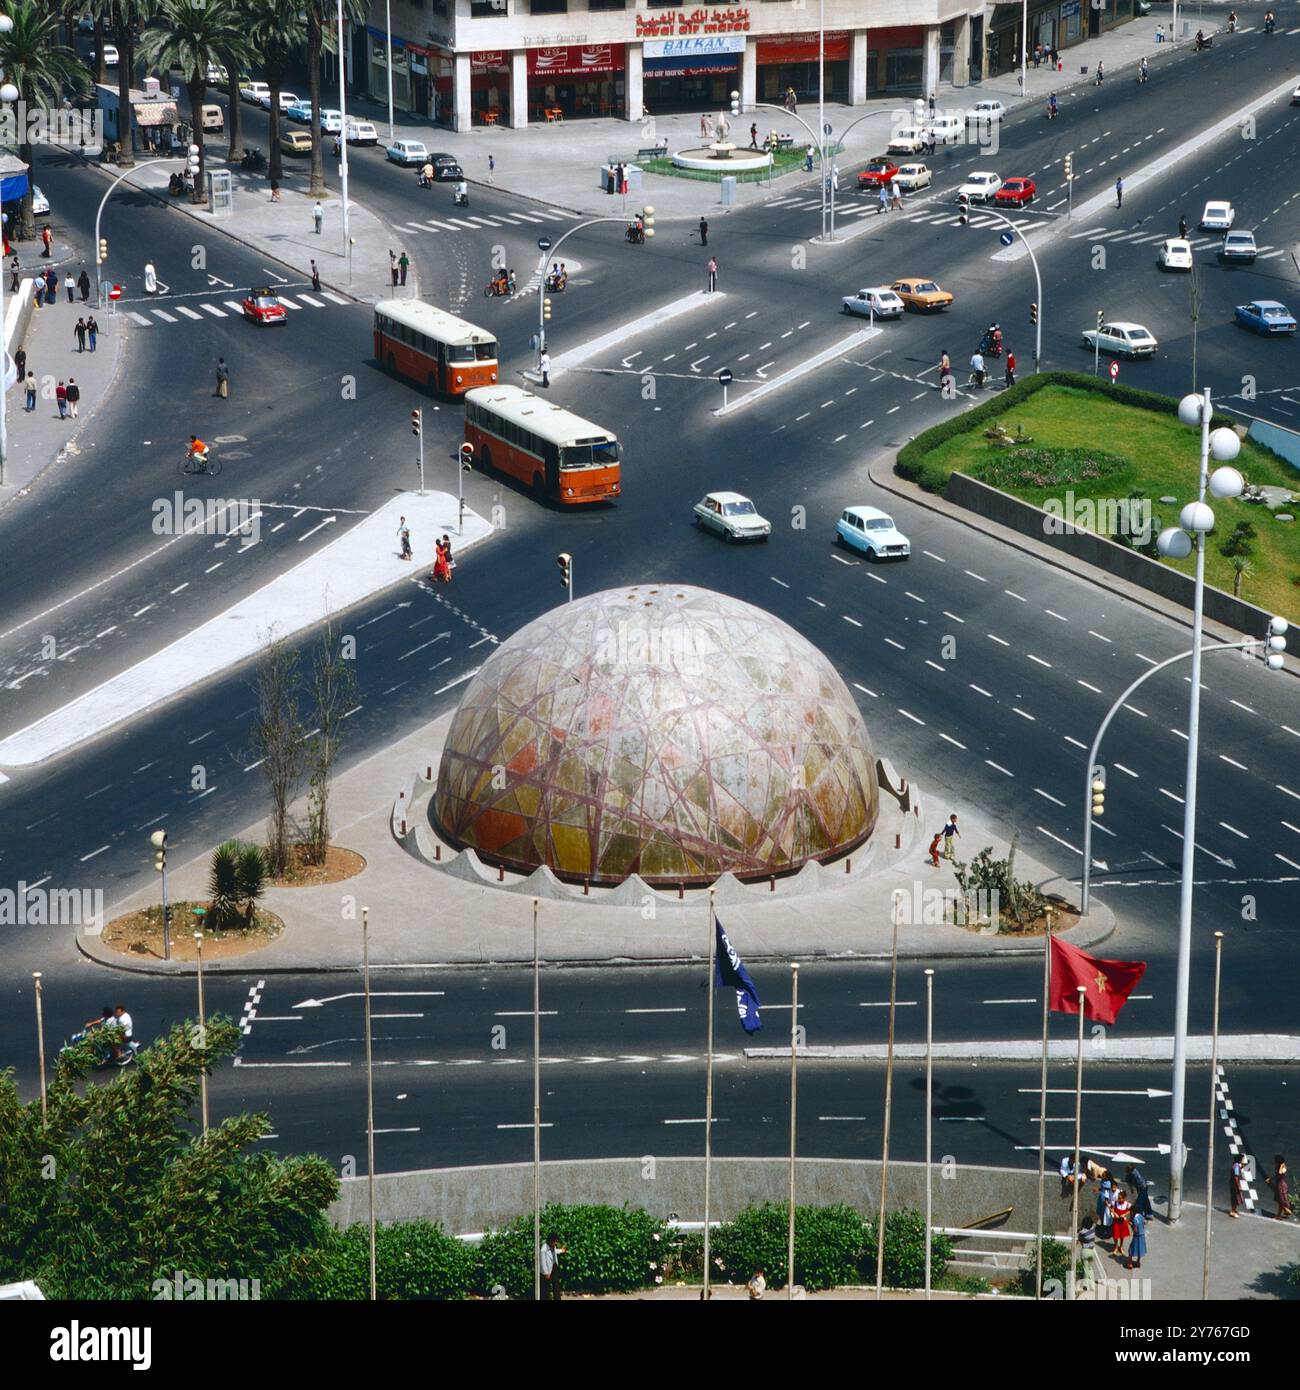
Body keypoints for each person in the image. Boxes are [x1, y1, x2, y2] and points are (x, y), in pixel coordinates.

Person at [539, 1233, 563, 1300]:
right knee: (545, 1287)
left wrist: (561, 1250)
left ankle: (557, 1298)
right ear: (550, 1241)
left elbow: (554, 1251)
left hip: (554, 1266)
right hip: (547, 1269)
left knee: (556, 1285)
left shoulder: (552, 1246)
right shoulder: (543, 1249)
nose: (555, 1243)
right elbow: (543, 1262)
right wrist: (546, 1273)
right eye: (554, 1241)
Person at [1110, 1188, 1131, 1258]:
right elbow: (1111, 1209)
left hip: (1122, 1222)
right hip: (1116, 1221)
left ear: (1124, 1198)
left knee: (1122, 1235)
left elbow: (1129, 1210)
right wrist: (1114, 1213)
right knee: (1115, 1235)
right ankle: (1116, 1246)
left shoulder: (1127, 1204)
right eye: (1118, 1198)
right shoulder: (1115, 1202)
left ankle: (1120, 1247)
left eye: (1120, 1198)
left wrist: (1124, 1214)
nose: (1119, 1199)